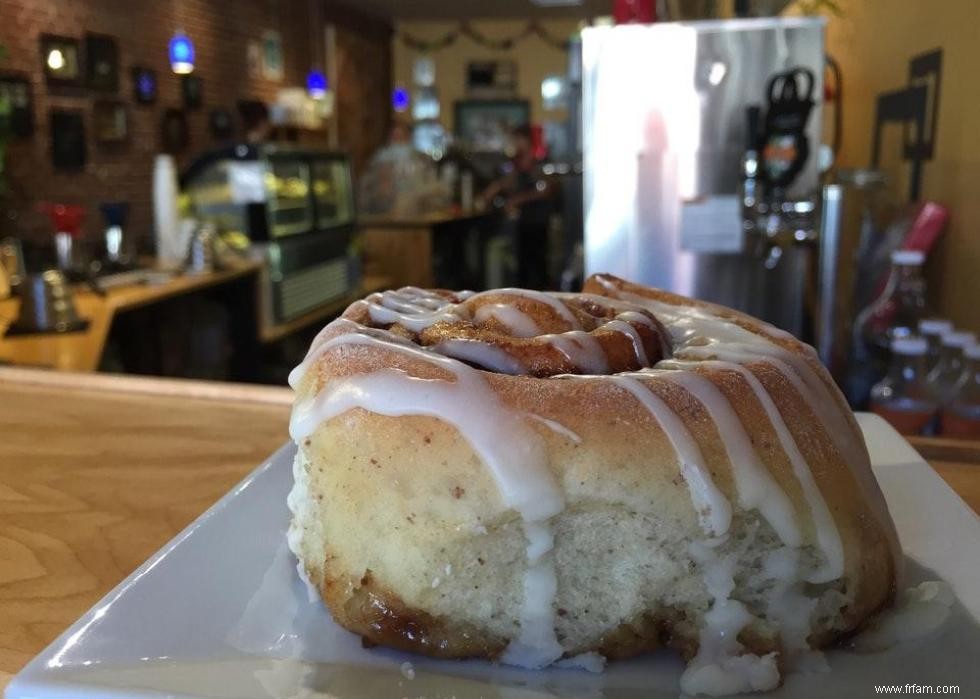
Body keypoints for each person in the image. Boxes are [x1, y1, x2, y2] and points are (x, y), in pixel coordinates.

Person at [479, 125, 555, 290]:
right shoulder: (517, 163)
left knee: (538, 265)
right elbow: (509, 182)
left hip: (538, 220)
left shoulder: (538, 161)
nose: (515, 143)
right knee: (522, 265)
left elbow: (545, 189)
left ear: (526, 141)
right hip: (523, 221)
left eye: (517, 139)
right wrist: (494, 190)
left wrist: (517, 199)